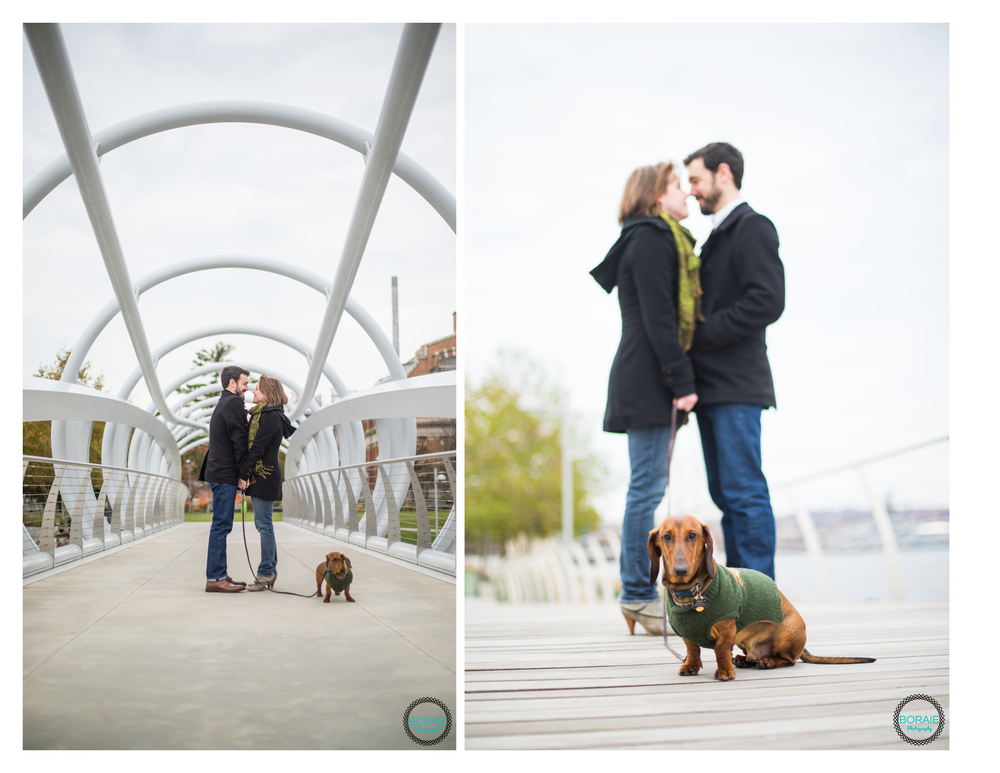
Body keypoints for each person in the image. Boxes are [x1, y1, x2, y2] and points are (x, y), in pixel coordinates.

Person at [590, 162, 700, 635]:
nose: (687, 196)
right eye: (678, 187)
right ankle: (637, 593)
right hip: (650, 377)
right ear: (657, 197)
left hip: (641, 374)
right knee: (646, 490)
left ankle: (636, 593)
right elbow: (659, 320)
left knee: (644, 488)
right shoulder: (654, 240)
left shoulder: (644, 238)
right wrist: (682, 381)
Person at [683, 142, 785, 579]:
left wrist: (705, 333)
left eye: (696, 180)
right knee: (726, 496)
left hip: (738, 386)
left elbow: (769, 300)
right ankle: (743, 597)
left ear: (723, 173)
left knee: (744, 494)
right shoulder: (716, 236)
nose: (691, 191)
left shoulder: (752, 227)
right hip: (713, 388)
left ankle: (762, 604)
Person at [199, 365, 252, 593]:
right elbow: (238, 441)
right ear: (232, 383)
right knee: (221, 526)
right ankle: (215, 578)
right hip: (225, 474)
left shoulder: (223, 403)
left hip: (219, 472)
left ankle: (219, 573)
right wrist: (243, 475)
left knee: (221, 525)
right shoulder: (233, 403)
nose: (247, 388)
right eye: (245, 383)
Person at [242, 374, 296, 591]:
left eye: (257, 388)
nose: (252, 392)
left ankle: (265, 573)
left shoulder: (270, 417)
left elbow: (258, 449)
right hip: (263, 474)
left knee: (264, 525)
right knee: (264, 524)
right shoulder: (265, 415)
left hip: (264, 474)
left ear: (268, 394)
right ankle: (269, 570)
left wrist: (243, 473)